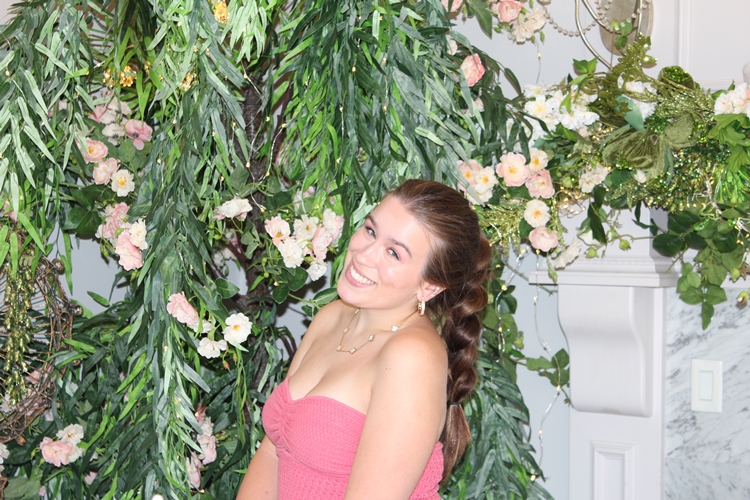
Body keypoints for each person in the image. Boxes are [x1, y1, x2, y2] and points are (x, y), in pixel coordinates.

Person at [237, 179, 491, 500]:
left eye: (393, 253)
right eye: (371, 231)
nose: (364, 255)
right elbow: (274, 451)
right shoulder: (333, 316)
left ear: (429, 286)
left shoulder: (412, 356)